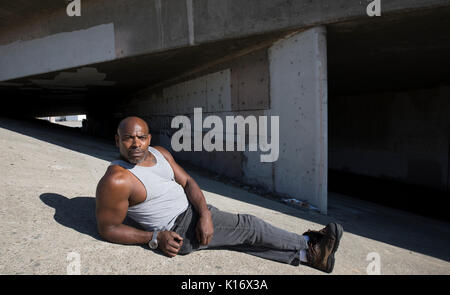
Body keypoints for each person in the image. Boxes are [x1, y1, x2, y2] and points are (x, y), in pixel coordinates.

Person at [95, 116, 343, 273]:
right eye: (128, 138)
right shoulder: (117, 179)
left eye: (141, 137)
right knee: (250, 226)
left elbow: (189, 182)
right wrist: (155, 237)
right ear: (117, 139)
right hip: (179, 231)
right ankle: (311, 246)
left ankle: (305, 257)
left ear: (149, 138)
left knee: (243, 241)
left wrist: (204, 213)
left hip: (195, 214)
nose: (136, 144)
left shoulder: (159, 153)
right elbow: (108, 228)